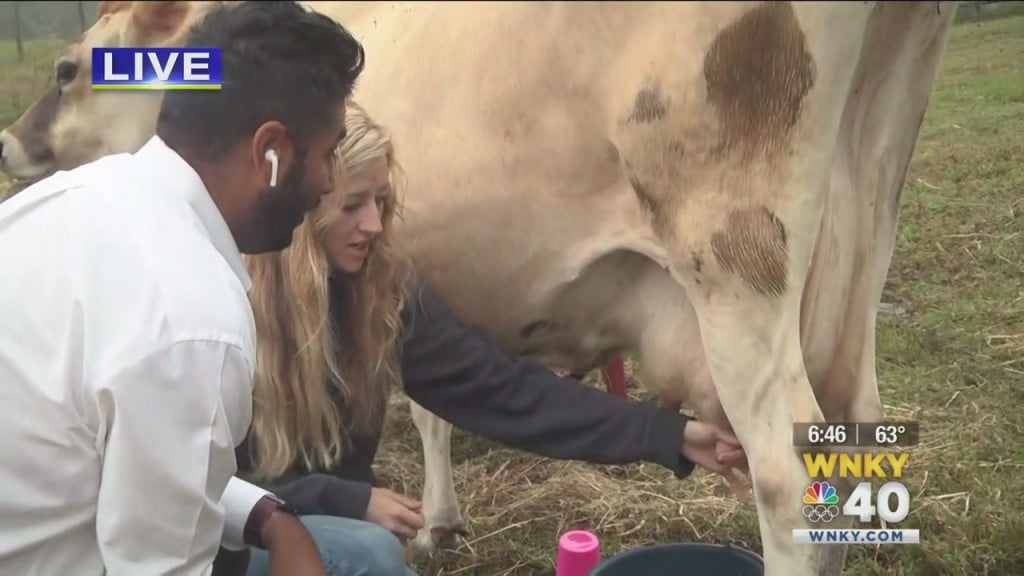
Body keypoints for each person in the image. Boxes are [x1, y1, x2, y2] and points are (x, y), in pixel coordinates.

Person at [236, 101, 750, 576]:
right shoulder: (228, 308)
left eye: (382, 200)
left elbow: (503, 392)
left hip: (328, 529)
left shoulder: (378, 293)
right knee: (372, 555)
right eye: (352, 205)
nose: (374, 223)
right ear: (304, 209)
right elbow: (198, 485)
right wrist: (346, 501)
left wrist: (669, 434)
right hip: (226, 543)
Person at [0, 2, 365, 575]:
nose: (327, 183)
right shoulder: (193, 322)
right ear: (270, 152)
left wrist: (267, 514)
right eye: (328, 153)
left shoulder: (72, 199)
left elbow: (126, 450)